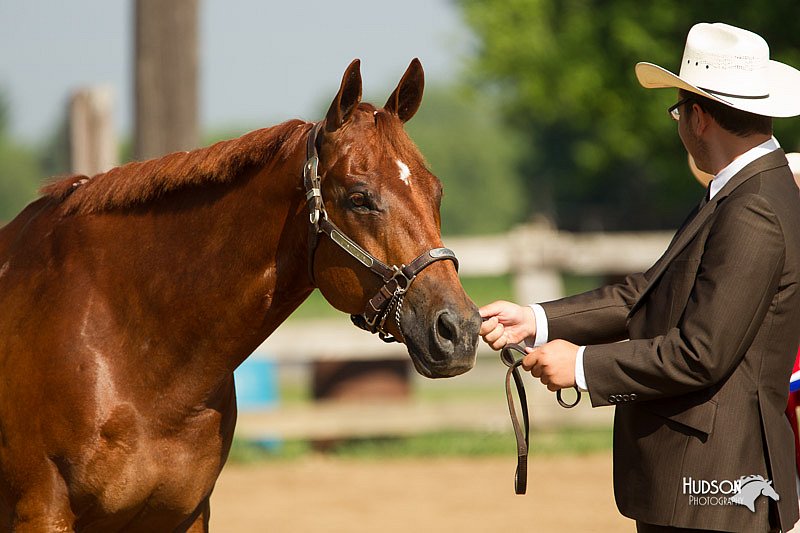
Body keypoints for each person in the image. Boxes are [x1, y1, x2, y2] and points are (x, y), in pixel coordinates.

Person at [480, 23, 800, 533]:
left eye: (677, 111)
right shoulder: (746, 191)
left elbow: (702, 353)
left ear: (697, 117)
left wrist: (582, 366)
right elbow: (646, 292)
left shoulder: (751, 208)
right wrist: (536, 320)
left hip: (713, 488)